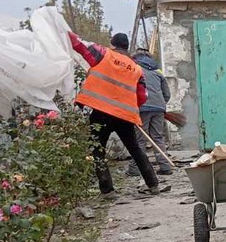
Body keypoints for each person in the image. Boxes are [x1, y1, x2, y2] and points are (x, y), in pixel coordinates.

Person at [69, 31, 170, 198]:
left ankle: (107, 191)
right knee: (136, 149)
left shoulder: (103, 54)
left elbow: (79, 45)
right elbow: (142, 96)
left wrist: (61, 31)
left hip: (101, 112)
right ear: (126, 47)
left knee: (98, 150)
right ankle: (153, 184)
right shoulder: (136, 68)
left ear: (113, 44)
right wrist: (129, 109)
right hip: (123, 115)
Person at [133, 47, 174, 176]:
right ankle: (165, 166)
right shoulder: (158, 72)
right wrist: (160, 104)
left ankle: (136, 168)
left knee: (140, 139)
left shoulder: (134, 70)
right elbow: (167, 93)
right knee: (158, 137)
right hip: (159, 108)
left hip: (142, 107)